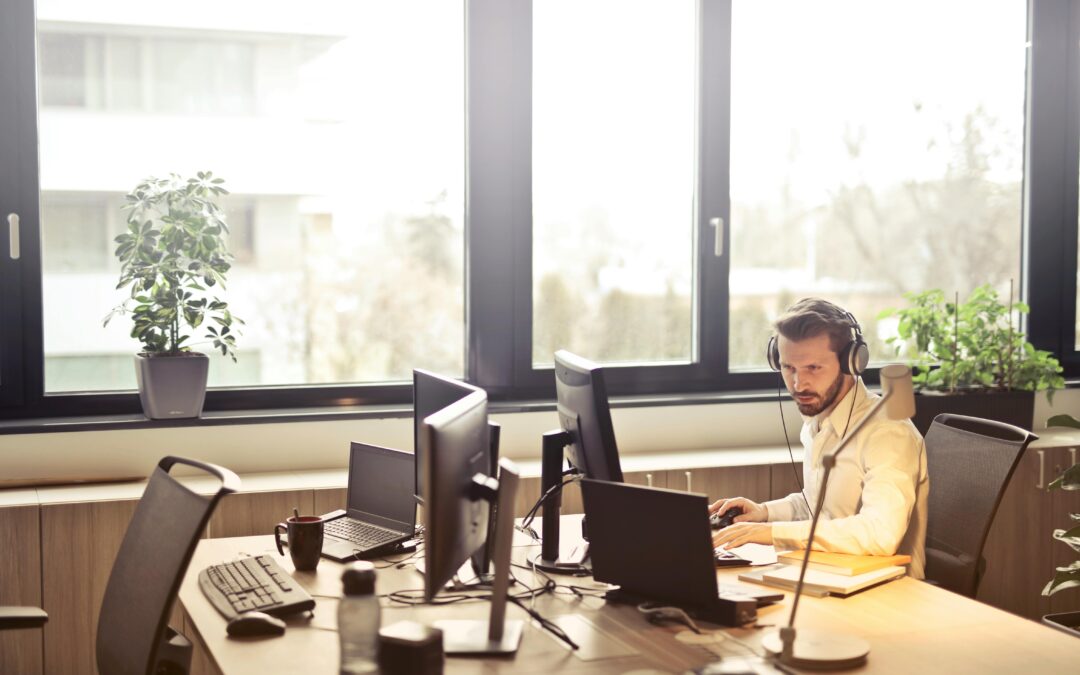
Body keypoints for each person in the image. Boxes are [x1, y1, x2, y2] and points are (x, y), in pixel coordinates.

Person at [710, 298, 928, 578]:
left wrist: (772, 533)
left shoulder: (888, 433)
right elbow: (819, 507)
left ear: (851, 362)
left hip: (886, 591)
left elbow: (880, 534)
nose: (798, 385)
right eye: (789, 368)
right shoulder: (818, 420)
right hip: (828, 573)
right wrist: (764, 513)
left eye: (813, 368)